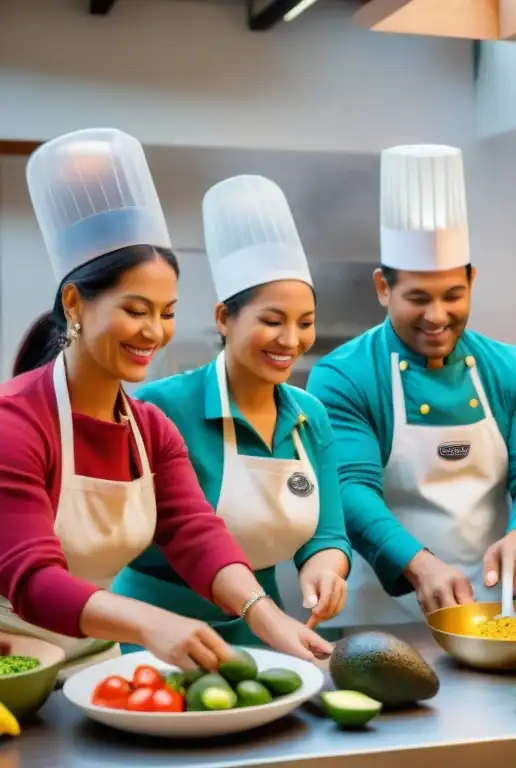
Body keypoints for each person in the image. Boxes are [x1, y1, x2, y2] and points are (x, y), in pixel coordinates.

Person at [0, 128, 331, 672]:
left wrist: (269, 618)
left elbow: (196, 533)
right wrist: (149, 620)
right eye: (136, 309)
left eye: (168, 311)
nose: (154, 331)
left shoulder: (149, 429)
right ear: (74, 302)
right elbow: (32, 580)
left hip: (96, 662)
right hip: (11, 663)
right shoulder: (17, 421)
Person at [306, 143, 516, 624]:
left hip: (491, 610)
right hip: (379, 614)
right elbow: (349, 487)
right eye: (418, 298)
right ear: (383, 288)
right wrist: (419, 564)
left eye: (454, 295)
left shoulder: (511, 368)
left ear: (472, 280)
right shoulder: (345, 374)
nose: (437, 316)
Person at [110, 175, 351, 648]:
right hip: (156, 631)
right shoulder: (160, 406)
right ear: (224, 318)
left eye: (305, 323)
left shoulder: (309, 415)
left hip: (265, 630)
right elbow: (170, 534)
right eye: (271, 320)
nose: (290, 341)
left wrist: (327, 572)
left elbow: (327, 533)